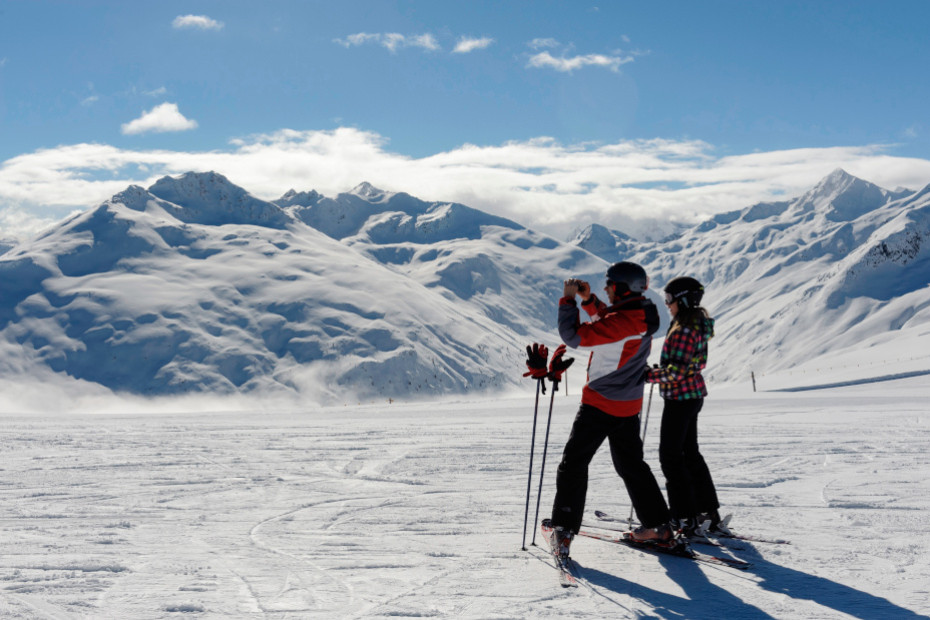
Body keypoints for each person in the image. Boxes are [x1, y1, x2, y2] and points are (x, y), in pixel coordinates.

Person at [548, 261, 674, 559]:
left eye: (609, 285)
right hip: (628, 405)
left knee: (573, 464)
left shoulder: (622, 323)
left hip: (600, 404)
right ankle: (658, 527)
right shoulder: (641, 313)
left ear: (620, 287)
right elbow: (610, 320)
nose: (606, 288)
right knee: (631, 466)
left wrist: (568, 300)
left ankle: (563, 530)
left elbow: (573, 336)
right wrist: (589, 300)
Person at [645, 276, 722, 536]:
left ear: (684, 301)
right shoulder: (696, 325)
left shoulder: (683, 330)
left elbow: (676, 372)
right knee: (690, 454)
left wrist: (650, 375)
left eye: (670, 299)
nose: (667, 304)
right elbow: (685, 366)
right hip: (692, 396)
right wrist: (662, 371)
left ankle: (684, 516)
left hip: (679, 399)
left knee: (670, 457)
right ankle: (706, 511)